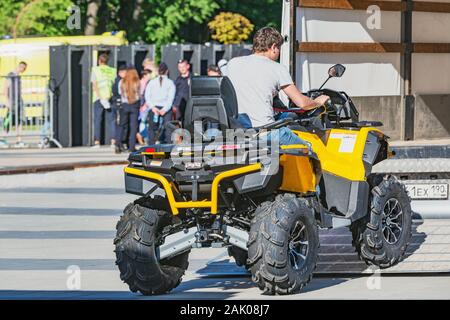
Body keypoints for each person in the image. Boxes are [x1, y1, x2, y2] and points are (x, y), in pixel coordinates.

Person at [227, 27, 329, 146]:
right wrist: (318, 102)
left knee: (289, 116)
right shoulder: (277, 68)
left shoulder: (233, 63)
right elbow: (303, 103)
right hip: (264, 133)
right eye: (279, 48)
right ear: (274, 47)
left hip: (238, 131)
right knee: (311, 148)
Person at [144, 63, 176, 145]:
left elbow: (147, 96)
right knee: (168, 128)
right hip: (166, 108)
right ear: (167, 71)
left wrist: (152, 107)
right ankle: (169, 145)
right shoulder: (170, 83)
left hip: (154, 108)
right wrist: (165, 109)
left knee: (152, 128)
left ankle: (151, 145)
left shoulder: (151, 82)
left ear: (158, 72)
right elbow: (171, 98)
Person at [91, 53, 116, 148]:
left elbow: (95, 84)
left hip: (98, 98)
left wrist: (100, 97)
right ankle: (113, 141)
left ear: (99, 61)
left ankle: (97, 142)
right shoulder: (112, 70)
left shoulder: (95, 70)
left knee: (98, 120)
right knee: (112, 120)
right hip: (110, 97)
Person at [3, 61, 27, 147]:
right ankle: (2, 139)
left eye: (23, 69)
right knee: (8, 121)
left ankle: (19, 141)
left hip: (19, 101)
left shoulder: (19, 77)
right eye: (22, 68)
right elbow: (5, 88)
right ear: (19, 66)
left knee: (19, 121)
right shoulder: (10, 75)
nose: (22, 70)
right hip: (12, 102)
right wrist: (7, 101)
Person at [117, 66, 141, 153]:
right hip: (134, 105)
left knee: (122, 125)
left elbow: (120, 93)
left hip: (124, 105)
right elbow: (140, 93)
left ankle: (118, 144)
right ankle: (131, 146)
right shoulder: (137, 81)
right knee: (133, 126)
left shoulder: (122, 82)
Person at [111, 64, 128, 153]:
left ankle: (119, 143)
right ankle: (118, 143)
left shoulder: (117, 80)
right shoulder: (119, 81)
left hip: (118, 104)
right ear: (121, 72)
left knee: (120, 125)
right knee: (121, 125)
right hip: (119, 105)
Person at [136, 69, 153, 146]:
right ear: (145, 75)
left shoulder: (146, 83)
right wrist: (142, 105)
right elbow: (141, 96)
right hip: (144, 106)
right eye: (149, 74)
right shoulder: (142, 83)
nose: (151, 76)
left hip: (146, 105)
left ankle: (143, 136)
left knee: (145, 122)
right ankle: (142, 135)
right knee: (144, 121)